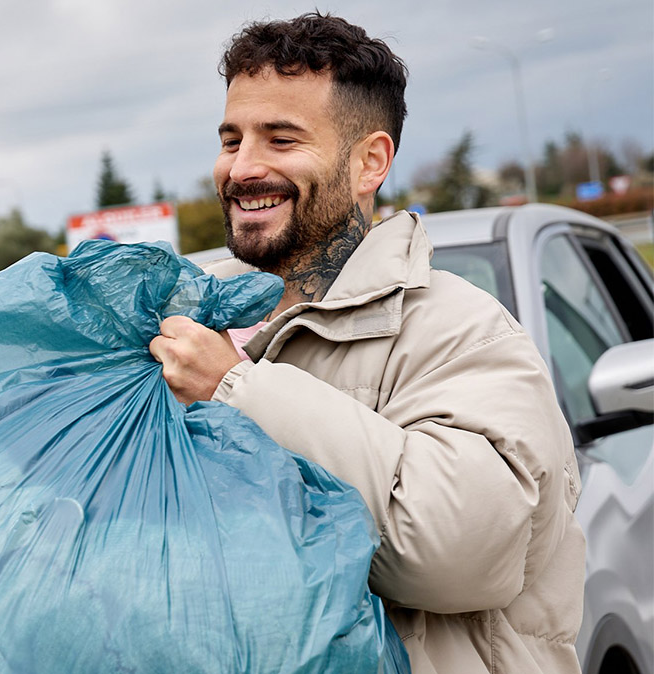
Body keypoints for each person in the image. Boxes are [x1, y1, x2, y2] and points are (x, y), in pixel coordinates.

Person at [149, 13, 584, 674]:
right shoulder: (185, 327)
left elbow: (459, 557)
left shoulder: (459, 332)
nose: (243, 168)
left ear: (368, 162)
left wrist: (235, 390)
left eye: (281, 139)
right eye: (231, 139)